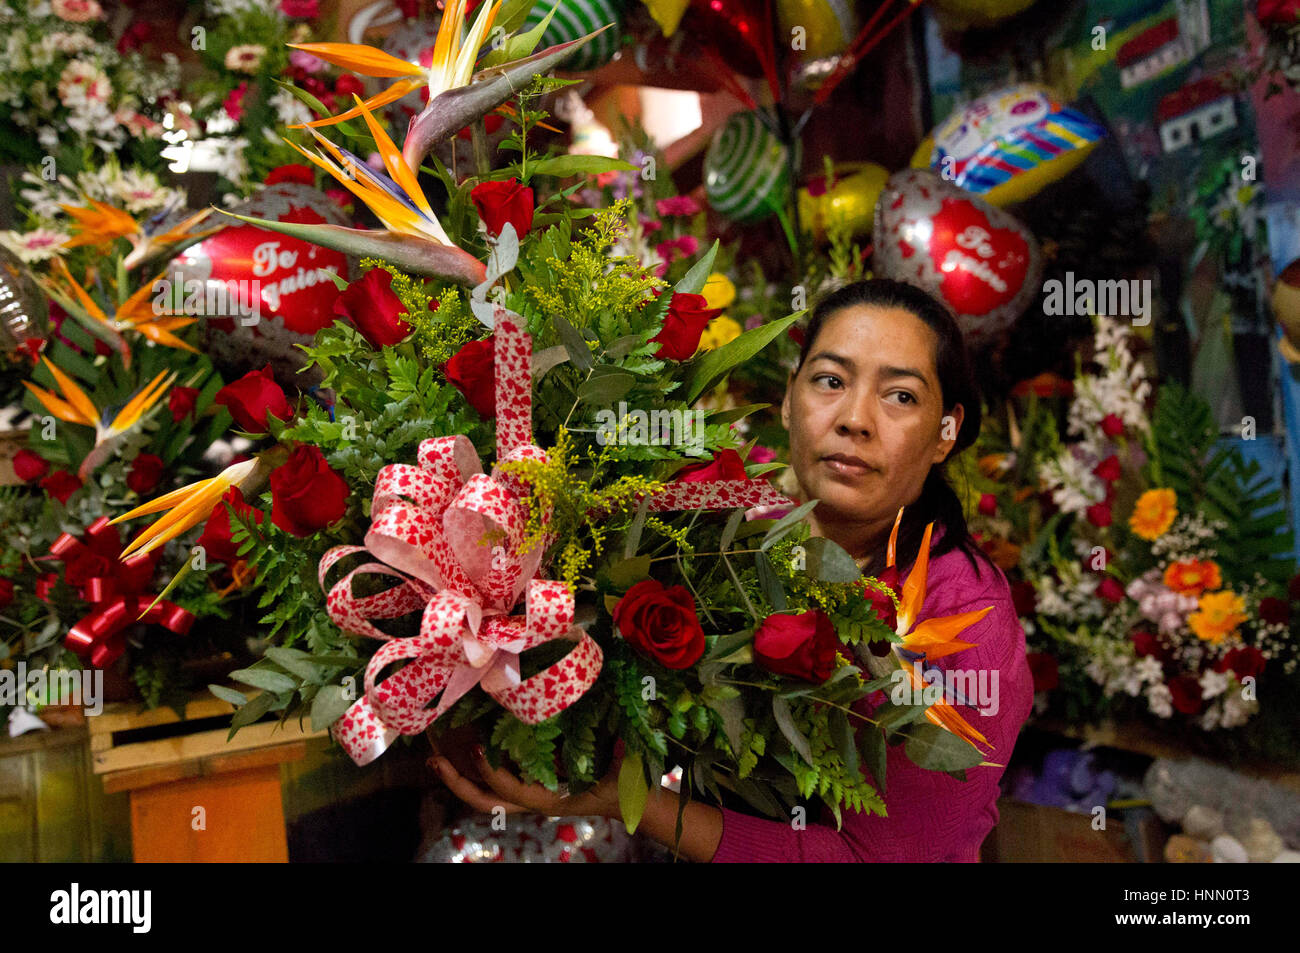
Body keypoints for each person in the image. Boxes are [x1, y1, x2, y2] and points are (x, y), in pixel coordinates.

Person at [432, 278, 1034, 862]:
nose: (855, 419)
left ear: (945, 433)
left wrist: (632, 804)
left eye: (900, 396)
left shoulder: (963, 625)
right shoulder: (726, 522)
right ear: (789, 397)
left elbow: (882, 860)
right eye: (830, 381)